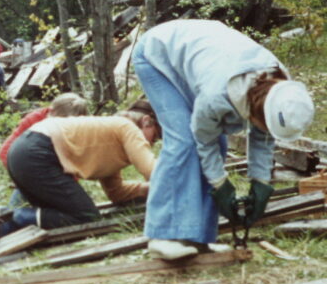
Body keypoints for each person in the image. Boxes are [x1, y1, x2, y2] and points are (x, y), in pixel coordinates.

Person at [132, 19, 315, 260]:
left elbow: (263, 138)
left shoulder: (282, 90)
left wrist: (261, 182)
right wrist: (221, 184)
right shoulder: (217, 96)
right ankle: (162, 235)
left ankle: (199, 239)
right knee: (184, 141)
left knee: (218, 143)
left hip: (203, 56)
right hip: (157, 54)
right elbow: (202, 139)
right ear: (255, 111)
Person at [2, 102, 161, 233]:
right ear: (146, 121)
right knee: (86, 216)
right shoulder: (126, 127)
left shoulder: (111, 137)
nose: (153, 143)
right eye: (156, 135)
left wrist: (147, 189)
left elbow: (117, 192)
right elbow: (152, 171)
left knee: (57, 215)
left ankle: (2, 226)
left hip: (23, 152)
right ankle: (15, 215)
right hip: (38, 152)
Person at [0, 92, 88, 210]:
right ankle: (5, 215)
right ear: (52, 110)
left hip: (55, 171)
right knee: (14, 212)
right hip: (32, 170)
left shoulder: (77, 127)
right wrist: (24, 177)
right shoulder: (34, 119)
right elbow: (5, 151)